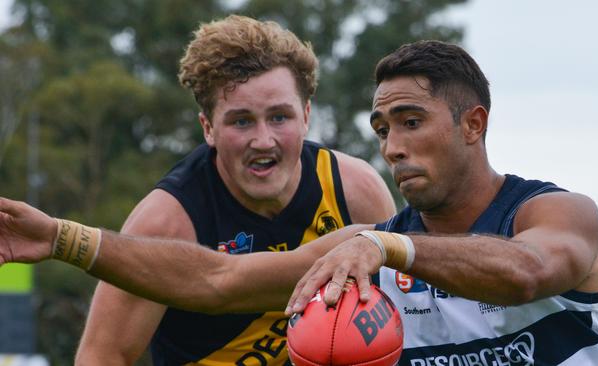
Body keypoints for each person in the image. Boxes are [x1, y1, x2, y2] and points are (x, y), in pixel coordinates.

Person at [0, 40, 598, 365]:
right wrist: (63, 239)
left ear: (473, 124)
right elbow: (218, 279)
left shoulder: (556, 214)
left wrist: (385, 244)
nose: (393, 147)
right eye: (382, 129)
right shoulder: (367, 243)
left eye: (411, 122)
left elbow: (527, 270)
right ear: (207, 128)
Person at [72, 15, 395, 366]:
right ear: (208, 127)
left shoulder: (354, 189)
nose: (263, 140)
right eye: (241, 121)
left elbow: (407, 317)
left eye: (279, 117)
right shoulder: (166, 222)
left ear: (305, 115)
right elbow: (102, 355)